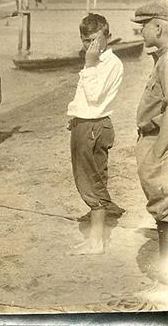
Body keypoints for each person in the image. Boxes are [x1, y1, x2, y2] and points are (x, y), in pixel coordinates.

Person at [65, 13, 124, 254]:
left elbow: (95, 96)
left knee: (92, 182)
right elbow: (83, 97)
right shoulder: (94, 60)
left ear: (108, 37)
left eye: (97, 40)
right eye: (86, 41)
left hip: (94, 126)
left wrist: (89, 63)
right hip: (85, 123)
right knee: (89, 179)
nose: (92, 46)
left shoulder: (110, 63)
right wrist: (74, 115)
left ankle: (96, 241)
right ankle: (94, 238)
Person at [132, 1, 168, 281]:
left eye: (143, 27)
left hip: (159, 141)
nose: (140, 33)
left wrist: (156, 155)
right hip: (155, 139)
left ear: (157, 27)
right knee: (165, 206)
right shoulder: (164, 56)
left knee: (165, 207)